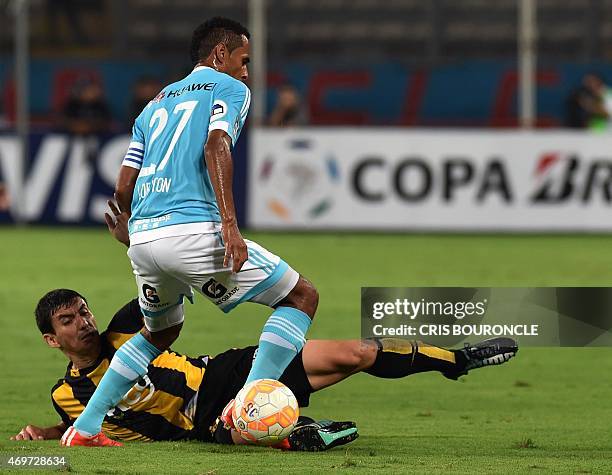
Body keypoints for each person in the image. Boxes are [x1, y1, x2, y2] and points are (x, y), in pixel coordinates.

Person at [63, 17, 320, 446]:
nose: (246, 70)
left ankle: (86, 428)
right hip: (194, 233)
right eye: (243, 59)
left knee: (159, 332)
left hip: (144, 239)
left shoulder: (154, 104)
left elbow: (123, 184)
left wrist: (134, 230)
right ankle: (242, 410)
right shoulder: (231, 89)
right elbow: (215, 145)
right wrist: (230, 227)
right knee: (300, 297)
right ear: (221, 54)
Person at [13, 289, 517, 449]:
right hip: (200, 425)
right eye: (68, 320)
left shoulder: (125, 328)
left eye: (83, 311)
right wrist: (44, 433)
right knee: (261, 429)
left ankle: (458, 360)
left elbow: (159, 286)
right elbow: (83, 423)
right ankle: (301, 433)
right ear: (51, 339)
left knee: (358, 352)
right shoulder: (66, 395)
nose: (83, 322)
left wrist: (134, 242)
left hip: (224, 373)